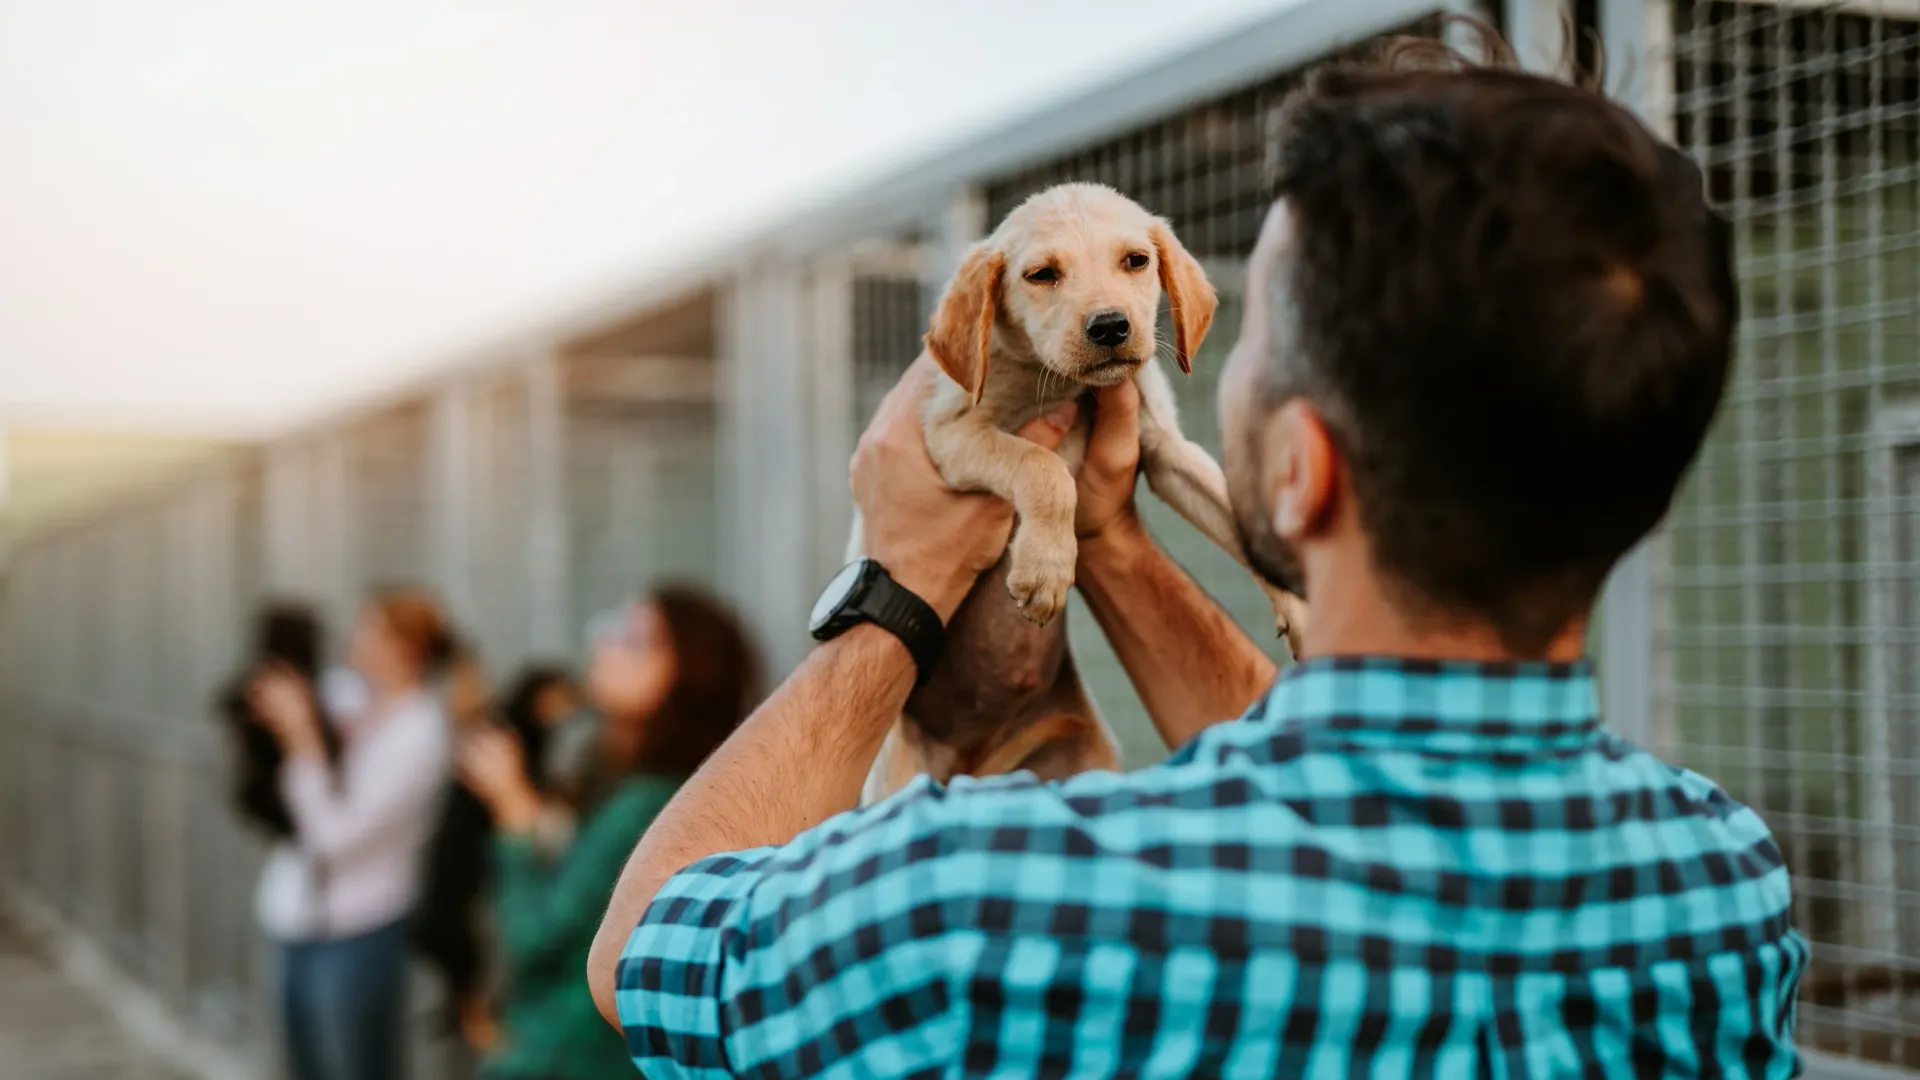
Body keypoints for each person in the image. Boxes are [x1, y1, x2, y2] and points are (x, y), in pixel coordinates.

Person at [590, 33, 1808, 1078]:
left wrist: (898, 591)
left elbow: (645, 950)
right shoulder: (1720, 892)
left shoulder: (990, 898)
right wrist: (1111, 532)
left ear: (1300, 471)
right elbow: (1348, 784)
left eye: (1255, 338)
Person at [457, 585, 760, 1080]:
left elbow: (534, 938)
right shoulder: (626, 779)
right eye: (613, 628)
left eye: (635, 640)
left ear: (690, 675)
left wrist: (511, 813)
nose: (604, 646)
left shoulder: (648, 802)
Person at [249, 587, 479, 1080]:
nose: (355, 638)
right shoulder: (345, 695)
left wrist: (301, 735)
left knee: (358, 1068)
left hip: (362, 925)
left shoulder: (420, 733)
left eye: (370, 628)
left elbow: (336, 836)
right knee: (303, 1066)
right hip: (295, 917)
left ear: (407, 650)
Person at [415, 664, 578, 1054]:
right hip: (469, 864)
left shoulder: (515, 736)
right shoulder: (506, 739)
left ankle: (468, 1015)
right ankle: (472, 1019)